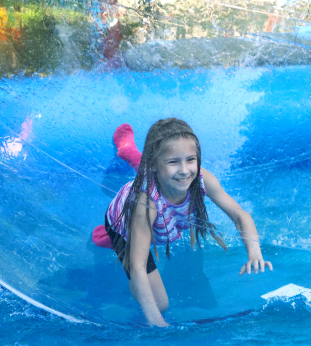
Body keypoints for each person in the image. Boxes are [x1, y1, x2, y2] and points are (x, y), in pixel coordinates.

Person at [95, 119, 272, 327]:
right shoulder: (146, 205)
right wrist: (156, 321)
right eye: (174, 162)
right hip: (122, 223)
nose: (185, 170)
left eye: (191, 160)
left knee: (166, 176)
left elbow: (240, 215)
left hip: (157, 187)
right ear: (156, 164)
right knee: (160, 304)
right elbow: (137, 267)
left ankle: (129, 151)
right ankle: (108, 236)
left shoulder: (202, 179)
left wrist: (254, 252)